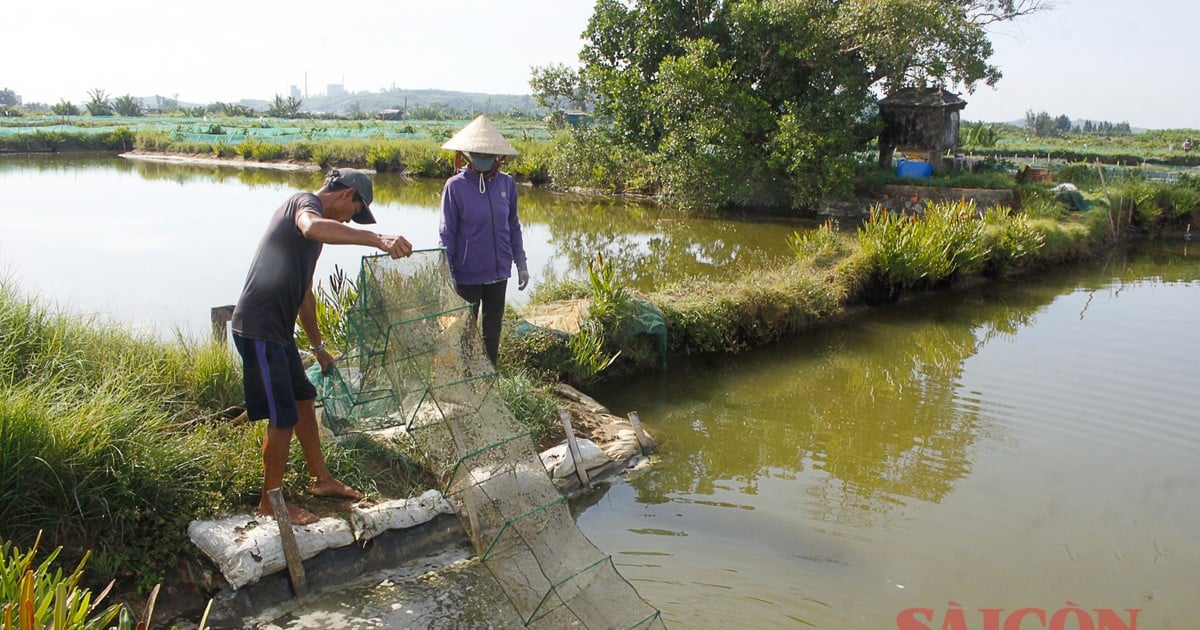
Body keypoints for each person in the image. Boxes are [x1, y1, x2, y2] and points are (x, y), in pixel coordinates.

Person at [231, 168, 413, 525]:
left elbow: (305, 293)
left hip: (279, 333)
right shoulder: (304, 204)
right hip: (257, 329)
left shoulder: (314, 236)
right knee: (282, 418)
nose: (350, 219)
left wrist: (318, 347)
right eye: (354, 212)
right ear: (346, 194)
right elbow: (312, 225)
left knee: (304, 398)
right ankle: (270, 503)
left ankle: (322, 480)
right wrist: (377, 238)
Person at [438, 115, 530, 365]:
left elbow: (513, 225)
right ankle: (466, 380)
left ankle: (490, 375)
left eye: (487, 153)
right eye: (477, 152)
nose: (482, 157)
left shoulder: (507, 184)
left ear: (499, 157)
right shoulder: (455, 187)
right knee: (466, 329)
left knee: (492, 330)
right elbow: (447, 232)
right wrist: (446, 270)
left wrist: (520, 263)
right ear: (467, 154)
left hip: (499, 271)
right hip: (467, 273)